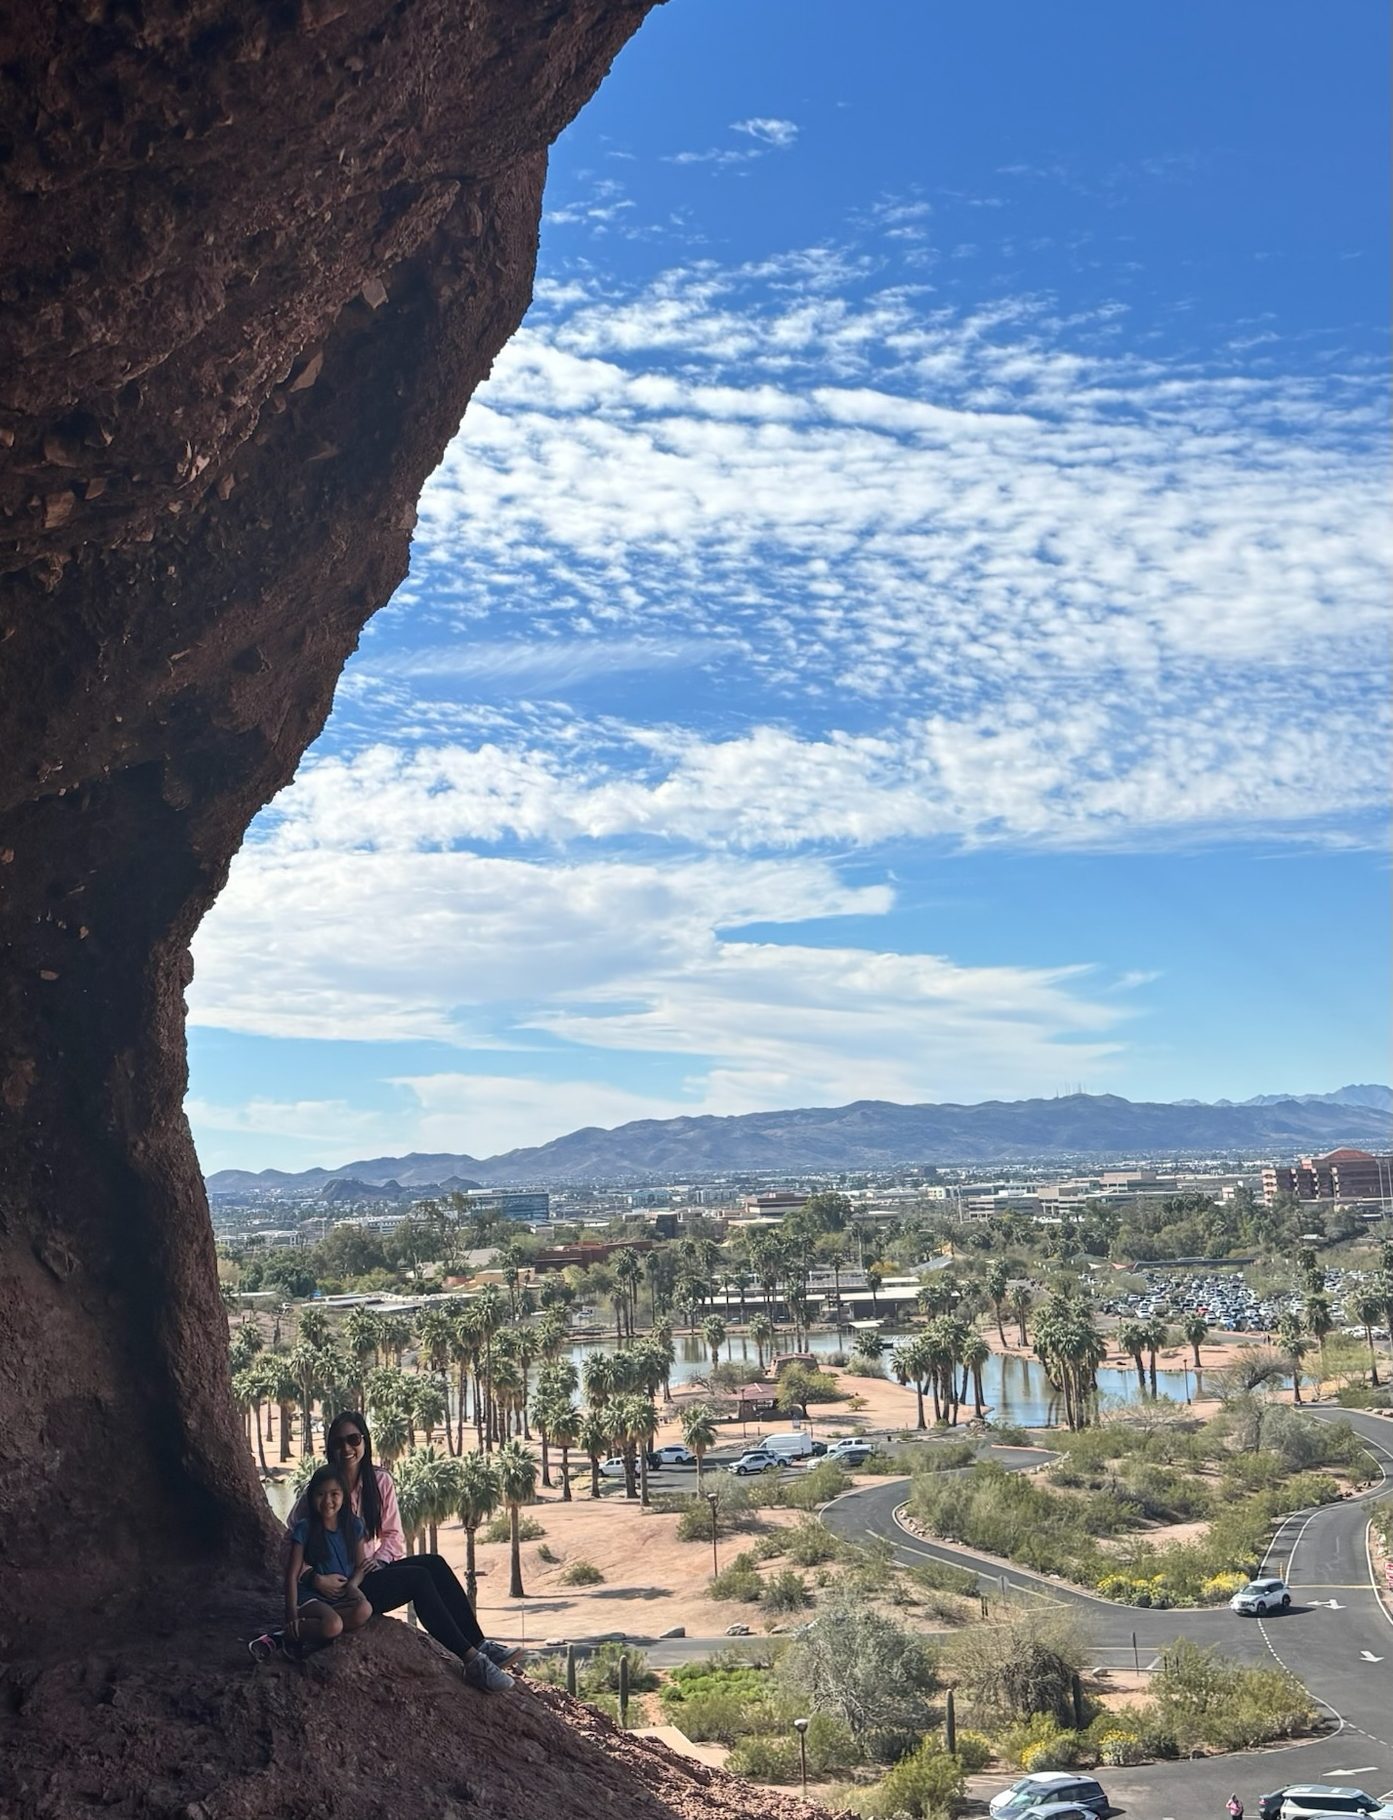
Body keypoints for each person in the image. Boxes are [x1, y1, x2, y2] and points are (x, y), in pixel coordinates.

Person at [273, 1410, 518, 1693]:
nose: (347, 1448)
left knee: (434, 1563)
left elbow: (392, 1536)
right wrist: (314, 1578)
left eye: (353, 1439)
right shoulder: (321, 1489)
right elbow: (288, 1543)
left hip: (366, 1573)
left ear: (365, 1441)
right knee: (418, 1580)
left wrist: (376, 1562)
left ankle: (480, 1644)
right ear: (330, 1448)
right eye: (338, 1442)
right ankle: (472, 1661)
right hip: (334, 1589)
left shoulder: (380, 1482)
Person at [253, 1463, 372, 1659]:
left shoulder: (355, 1526)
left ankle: (305, 1632)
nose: (327, 1501)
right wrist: (291, 1613)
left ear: (344, 1496)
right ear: (311, 1497)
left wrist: (353, 1586)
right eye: (320, 1494)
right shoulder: (305, 1528)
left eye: (334, 1494)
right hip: (311, 1597)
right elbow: (292, 1575)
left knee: (364, 1610)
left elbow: (361, 1566)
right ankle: (288, 1634)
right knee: (333, 1625)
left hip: (340, 1597)